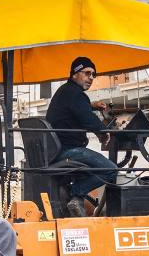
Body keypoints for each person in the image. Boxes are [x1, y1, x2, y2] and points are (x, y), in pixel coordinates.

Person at [46, 56, 118, 216]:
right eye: (87, 73)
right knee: (110, 169)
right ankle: (76, 194)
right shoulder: (76, 94)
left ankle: (75, 198)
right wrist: (103, 132)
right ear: (75, 74)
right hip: (67, 150)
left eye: (93, 74)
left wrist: (92, 106)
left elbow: (75, 108)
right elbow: (88, 119)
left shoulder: (65, 91)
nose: (91, 77)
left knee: (90, 171)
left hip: (56, 150)